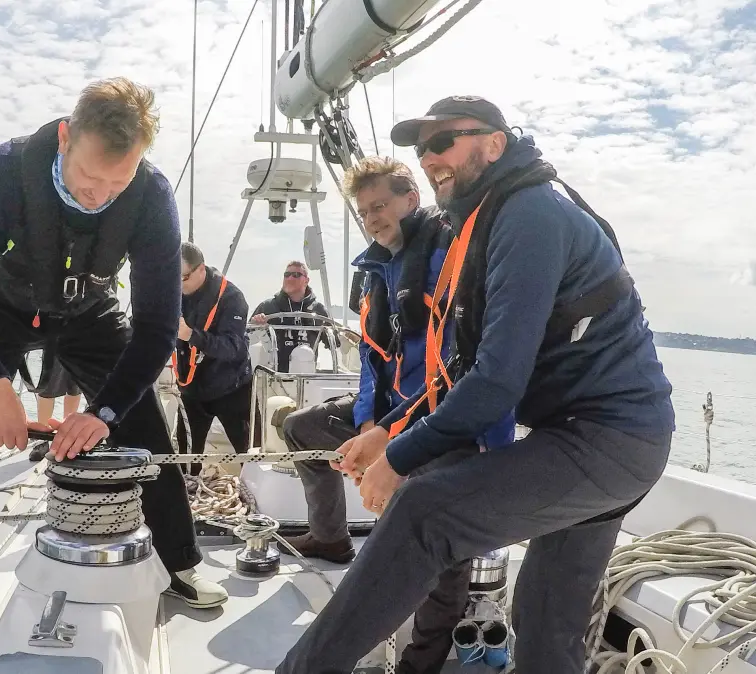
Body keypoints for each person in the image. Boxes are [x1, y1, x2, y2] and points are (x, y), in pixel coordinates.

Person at [275, 96, 674, 674]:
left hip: (607, 441)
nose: (429, 156)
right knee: (544, 622)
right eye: (421, 148)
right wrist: (387, 430)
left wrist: (399, 459)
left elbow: (495, 382)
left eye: (444, 142)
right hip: (601, 440)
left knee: (423, 510)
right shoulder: (490, 220)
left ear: (494, 143)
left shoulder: (529, 214)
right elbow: (460, 371)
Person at [0, 77, 229, 640]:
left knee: (144, 427)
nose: (99, 195)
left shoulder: (150, 197)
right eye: (88, 176)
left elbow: (153, 328)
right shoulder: (1, 174)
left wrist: (103, 413)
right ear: (64, 138)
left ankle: (181, 565)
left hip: (89, 312)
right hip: (0, 310)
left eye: (116, 183)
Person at [279, 156, 514, 673]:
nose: (372, 218)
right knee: (301, 427)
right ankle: (330, 535)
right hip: (389, 413)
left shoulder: (450, 260)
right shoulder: (375, 270)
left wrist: (394, 440)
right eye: (364, 212)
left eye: (380, 206)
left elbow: (460, 367)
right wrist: (367, 422)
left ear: (412, 200)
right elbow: (369, 357)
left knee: (435, 528)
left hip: (445, 418)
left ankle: (422, 660)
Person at [174, 242, 258, 476]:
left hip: (232, 388)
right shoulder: (174, 292)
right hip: (191, 390)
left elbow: (235, 348)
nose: (178, 284)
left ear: (201, 269)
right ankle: (187, 501)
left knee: (251, 456)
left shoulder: (232, 298)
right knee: (185, 462)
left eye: (183, 277)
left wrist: (191, 335)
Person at [250, 261, 334, 372]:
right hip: (273, 377)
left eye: (296, 275)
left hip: (308, 379)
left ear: (306, 281)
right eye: (287, 275)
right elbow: (246, 337)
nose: (290, 278)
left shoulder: (319, 310)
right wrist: (256, 324)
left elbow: (334, 343)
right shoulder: (267, 307)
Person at [26, 356, 83, 462]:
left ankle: (68, 436)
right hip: (55, 342)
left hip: (83, 343)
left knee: (75, 386)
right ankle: (42, 439)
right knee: (48, 386)